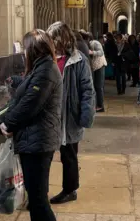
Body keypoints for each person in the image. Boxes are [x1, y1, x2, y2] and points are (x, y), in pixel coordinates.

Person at [0, 29, 63, 221]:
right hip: (34, 140)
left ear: (33, 49)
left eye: (25, 48)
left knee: (39, 201)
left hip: (38, 142)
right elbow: (23, 98)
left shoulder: (46, 70)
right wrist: (4, 121)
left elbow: (29, 104)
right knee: (36, 199)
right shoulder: (41, 68)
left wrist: (7, 124)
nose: (23, 53)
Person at [46, 22, 95, 204]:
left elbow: (87, 90)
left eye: (53, 38)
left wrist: (85, 115)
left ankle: (70, 190)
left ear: (62, 39)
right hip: (48, 117)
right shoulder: (47, 57)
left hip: (69, 116)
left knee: (69, 155)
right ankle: (39, 194)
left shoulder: (78, 60)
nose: (51, 42)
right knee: (44, 157)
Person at [80, 30, 106, 112]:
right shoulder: (86, 44)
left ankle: (100, 106)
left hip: (99, 66)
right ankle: (95, 105)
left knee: (99, 86)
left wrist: (92, 52)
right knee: (94, 86)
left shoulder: (95, 42)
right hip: (94, 67)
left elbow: (101, 52)